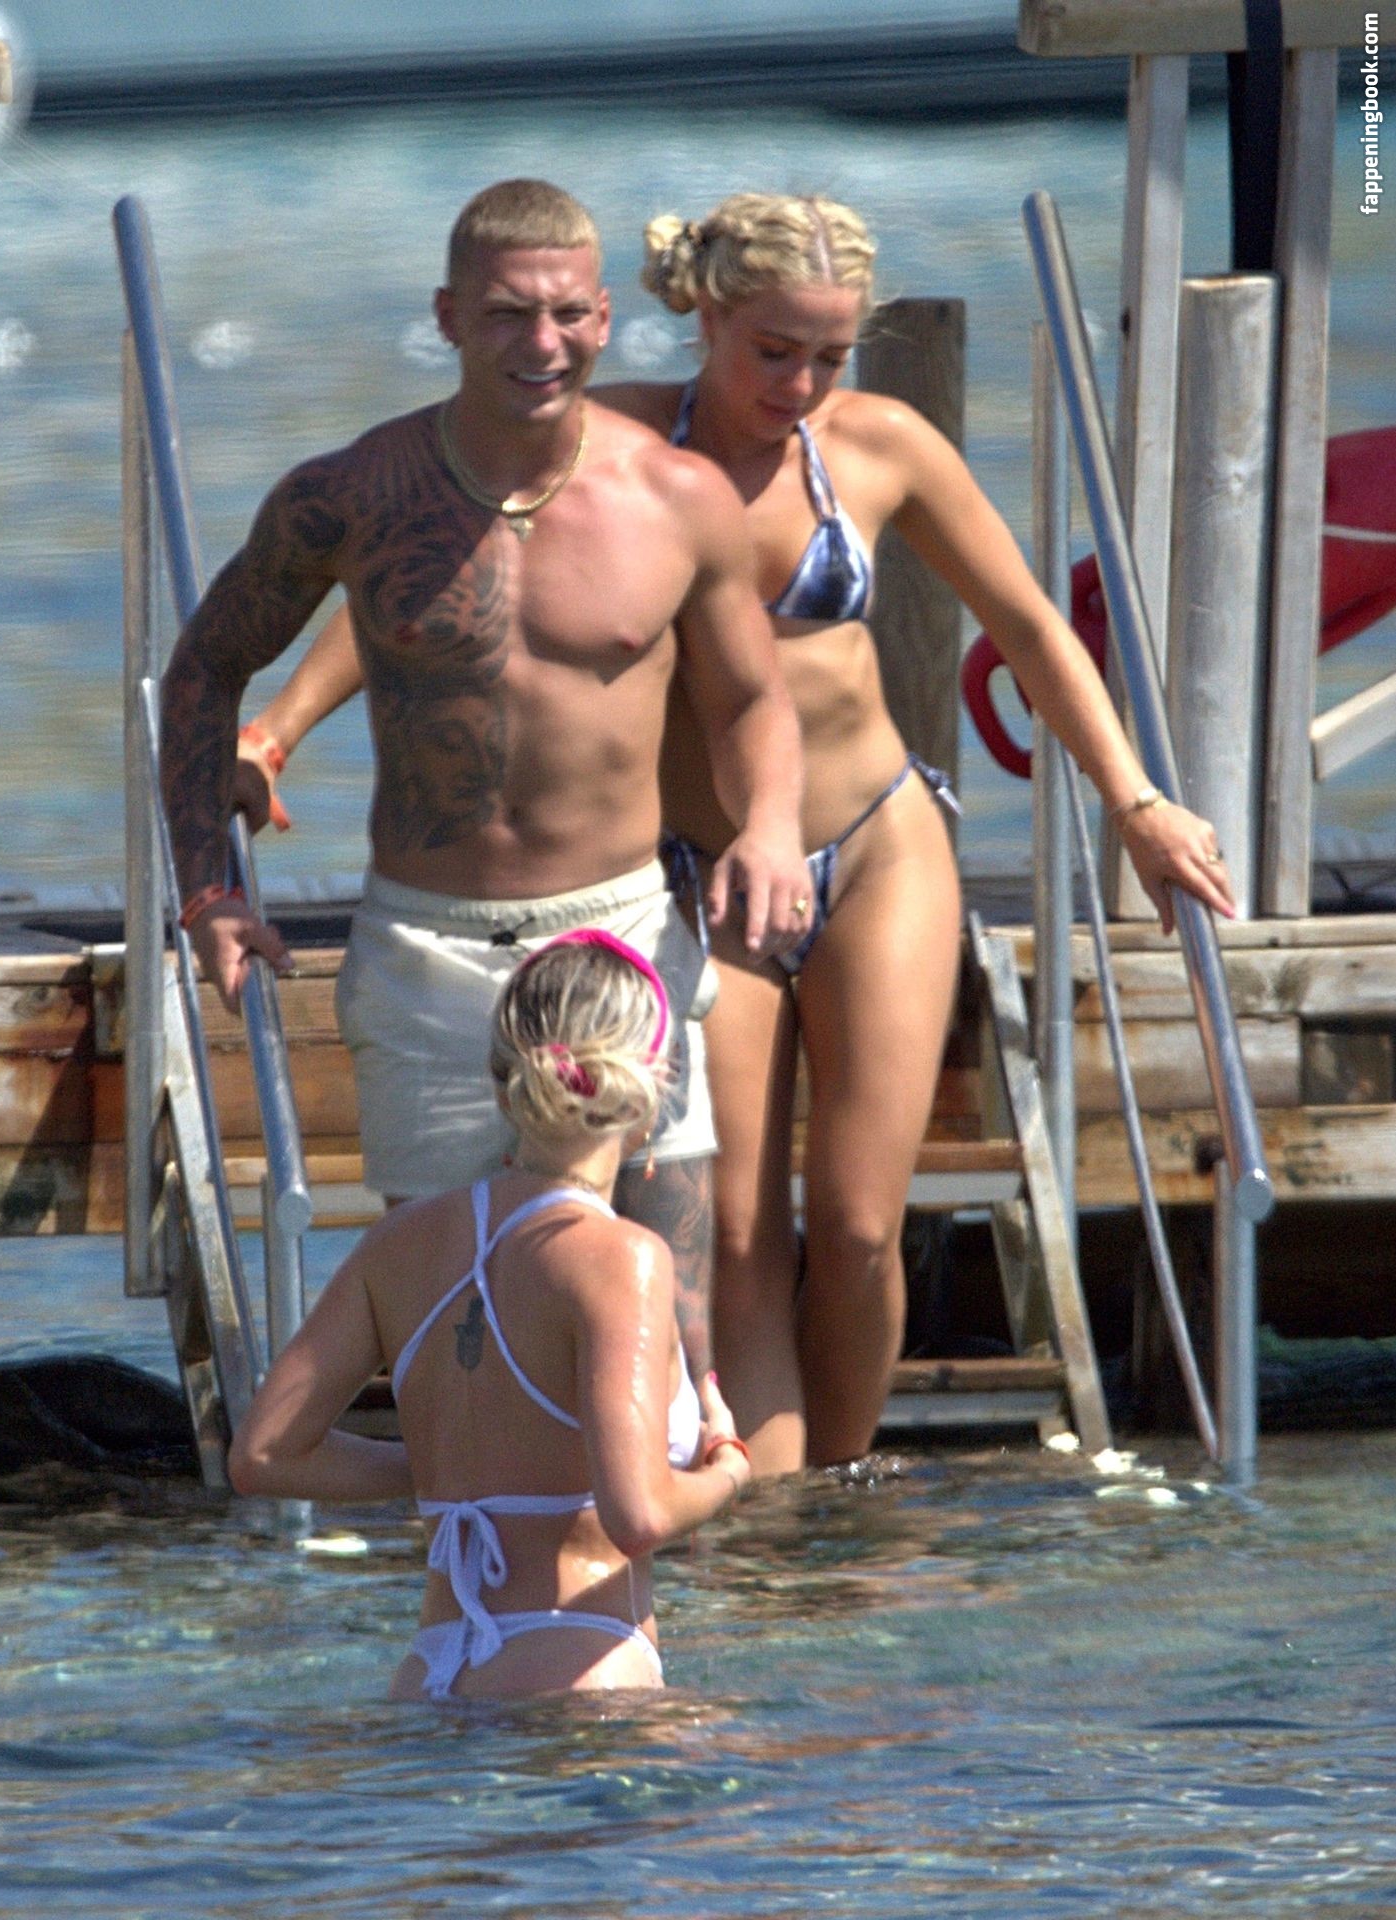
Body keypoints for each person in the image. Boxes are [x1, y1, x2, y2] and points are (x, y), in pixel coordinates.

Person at [234, 191, 1237, 1474]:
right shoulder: (609, 442)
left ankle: (837, 1496)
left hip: (871, 845)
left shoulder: (880, 444)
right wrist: (277, 730)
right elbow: (430, 585)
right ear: (703, 318)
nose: (800, 384)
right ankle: (758, 1519)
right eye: (772, 350)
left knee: (861, 1225)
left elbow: (1031, 628)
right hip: (703, 879)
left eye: (829, 354)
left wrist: (1136, 803)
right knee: (743, 1232)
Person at [160, 180, 811, 1396]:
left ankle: (669, 1528)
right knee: (450, 1344)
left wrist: (771, 825)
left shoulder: (677, 499)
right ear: (449, 317)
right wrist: (207, 890)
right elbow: (203, 669)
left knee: (671, 1338)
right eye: (509, 314)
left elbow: (750, 701)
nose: (541, 343)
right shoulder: (353, 496)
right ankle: (467, 1527)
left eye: (566, 314)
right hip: (429, 951)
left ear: (605, 317)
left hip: (620, 937)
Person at [230, 932, 753, 1700]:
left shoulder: (399, 1243)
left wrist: (439, 1467)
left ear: (503, 1082)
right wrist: (728, 1471)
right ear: (649, 1095)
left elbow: (264, 1456)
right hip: (579, 1659)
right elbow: (637, 1514)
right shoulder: (623, 1258)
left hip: (431, 1669)